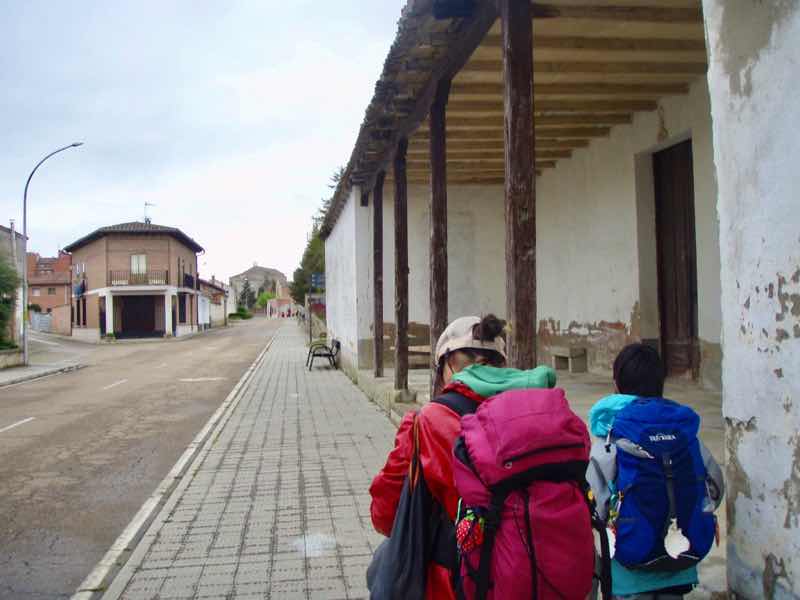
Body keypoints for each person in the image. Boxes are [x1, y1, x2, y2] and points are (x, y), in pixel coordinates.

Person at [369, 314, 557, 600]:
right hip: (542, 566)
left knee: (382, 567)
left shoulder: (429, 420)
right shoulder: (541, 409)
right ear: (501, 362)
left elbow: (385, 514)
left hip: (462, 578)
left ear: (449, 364)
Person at [586, 344, 725, 600]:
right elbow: (715, 486)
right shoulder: (685, 436)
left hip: (629, 569)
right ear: (661, 383)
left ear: (616, 384)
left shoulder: (610, 440)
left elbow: (594, 502)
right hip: (681, 561)